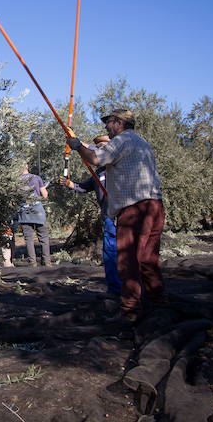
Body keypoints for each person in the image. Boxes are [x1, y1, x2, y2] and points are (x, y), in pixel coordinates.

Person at [68, 109, 166, 321]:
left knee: (128, 260)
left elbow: (95, 158)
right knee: (149, 259)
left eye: (109, 122)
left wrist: (77, 146)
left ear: (119, 123)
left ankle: (130, 311)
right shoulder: (141, 142)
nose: (106, 127)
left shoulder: (122, 140)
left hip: (134, 210)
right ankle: (157, 303)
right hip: (155, 207)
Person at [59, 135, 122, 296]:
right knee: (109, 251)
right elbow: (82, 187)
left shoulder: (119, 165)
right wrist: (69, 183)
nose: (100, 148)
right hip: (107, 216)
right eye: (98, 146)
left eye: (103, 146)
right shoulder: (98, 173)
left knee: (127, 250)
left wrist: (79, 143)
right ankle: (115, 288)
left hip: (124, 214)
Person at [4, 164, 50, 267]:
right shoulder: (36, 178)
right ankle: (47, 262)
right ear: (27, 167)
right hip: (38, 210)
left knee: (29, 239)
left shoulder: (16, 181)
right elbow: (45, 194)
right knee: (44, 238)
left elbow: (13, 199)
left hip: (24, 212)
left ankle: (32, 262)